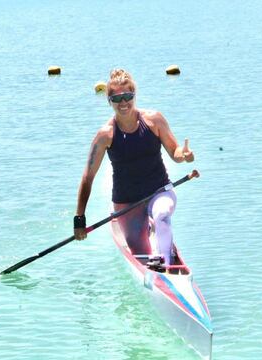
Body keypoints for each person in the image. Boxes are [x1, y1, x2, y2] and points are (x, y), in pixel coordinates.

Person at [74, 69, 194, 265]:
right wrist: (79, 218)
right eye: (117, 98)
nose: (123, 103)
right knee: (142, 252)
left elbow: (176, 153)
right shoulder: (105, 135)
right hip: (127, 201)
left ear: (134, 95)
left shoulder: (154, 120)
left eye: (128, 96)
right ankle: (151, 238)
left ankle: (167, 262)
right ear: (109, 101)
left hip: (159, 191)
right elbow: (88, 177)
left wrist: (185, 155)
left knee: (162, 213)